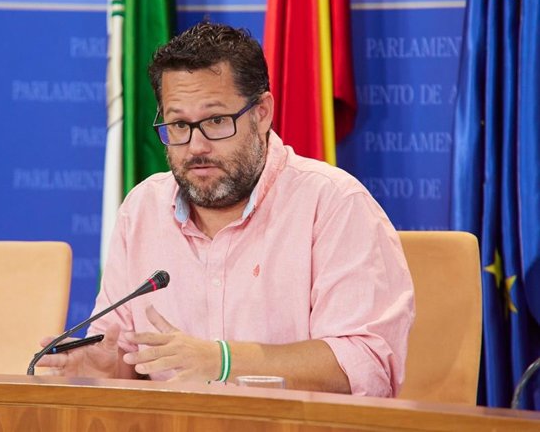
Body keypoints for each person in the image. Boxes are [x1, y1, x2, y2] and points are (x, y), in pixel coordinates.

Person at [38, 22, 414, 397]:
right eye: (179, 124)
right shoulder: (143, 209)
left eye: (216, 121)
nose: (196, 146)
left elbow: (367, 366)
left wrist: (224, 361)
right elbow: (127, 354)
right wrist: (105, 368)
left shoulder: (332, 204)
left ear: (262, 112)